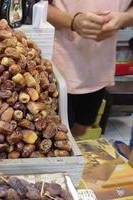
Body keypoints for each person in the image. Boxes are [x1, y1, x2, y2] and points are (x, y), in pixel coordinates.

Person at [47, 1, 133, 138]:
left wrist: (124, 18)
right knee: (53, 134)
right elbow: (32, 7)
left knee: (81, 129)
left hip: (99, 70)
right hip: (57, 68)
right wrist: (73, 21)